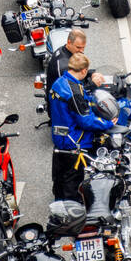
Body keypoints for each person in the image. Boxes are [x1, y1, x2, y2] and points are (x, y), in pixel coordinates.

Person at [48, 53, 114, 202]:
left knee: (60, 180)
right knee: (72, 184)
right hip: (74, 142)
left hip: (60, 137)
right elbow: (86, 121)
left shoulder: (59, 83)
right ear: (84, 71)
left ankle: (59, 201)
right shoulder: (74, 91)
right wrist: (108, 123)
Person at [46, 28, 87, 95]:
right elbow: (73, 92)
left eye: (83, 47)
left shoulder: (66, 50)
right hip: (60, 101)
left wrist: (92, 74)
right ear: (69, 42)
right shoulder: (63, 66)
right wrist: (92, 84)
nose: (82, 51)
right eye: (78, 47)